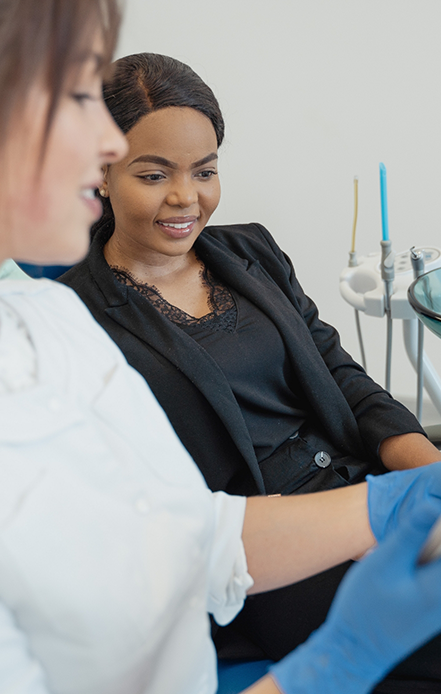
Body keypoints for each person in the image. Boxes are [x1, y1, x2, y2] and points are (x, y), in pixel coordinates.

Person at [0, 3, 440, 694]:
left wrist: (401, 503)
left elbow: (187, 537)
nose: (109, 146)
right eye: (78, 94)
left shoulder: (47, 325)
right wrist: (335, 666)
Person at [59, 53, 441, 689]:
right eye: (154, 175)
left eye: (204, 171)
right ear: (101, 172)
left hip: (364, 480)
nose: (187, 197)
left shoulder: (250, 251)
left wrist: (421, 468)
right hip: (273, 551)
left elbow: (338, 370)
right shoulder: (73, 317)